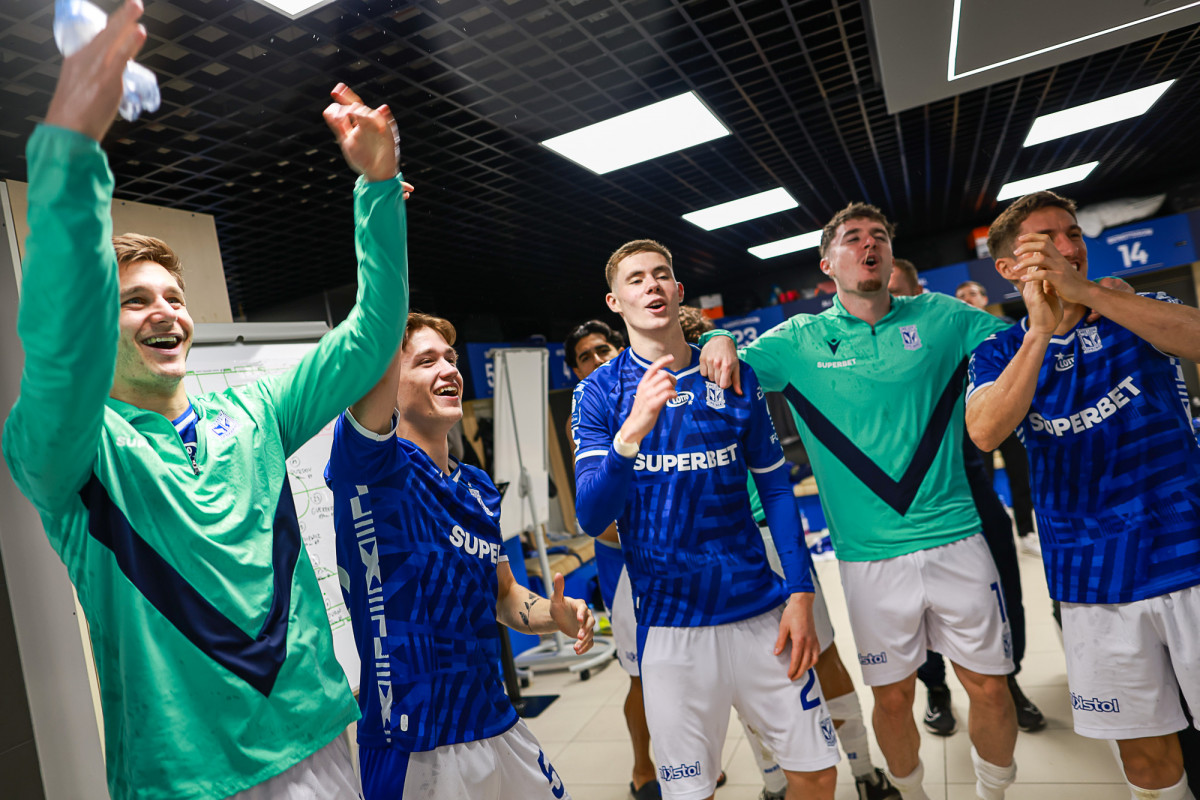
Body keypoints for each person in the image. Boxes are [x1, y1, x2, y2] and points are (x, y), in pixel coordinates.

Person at [1, 3, 413, 797]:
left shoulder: (255, 412)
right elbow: (59, 352)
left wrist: (378, 187)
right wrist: (71, 148)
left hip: (320, 739)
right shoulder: (74, 456)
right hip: (189, 780)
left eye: (175, 296)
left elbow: (371, 337)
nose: (166, 312)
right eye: (135, 301)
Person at [699, 204, 1019, 800]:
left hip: (956, 537)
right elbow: (726, 370)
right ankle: (912, 795)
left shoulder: (944, 317)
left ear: (891, 255)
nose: (868, 245)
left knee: (992, 689)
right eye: (852, 238)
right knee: (893, 699)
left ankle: (992, 794)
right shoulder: (797, 340)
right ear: (828, 264)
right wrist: (716, 335)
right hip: (868, 558)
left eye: (879, 237)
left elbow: (1028, 345)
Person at [572, 239, 841, 800]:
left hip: (761, 612)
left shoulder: (729, 373)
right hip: (671, 628)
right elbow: (592, 514)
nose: (651, 284)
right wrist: (630, 433)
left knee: (817, 774)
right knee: (692, 792)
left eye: (660, 274)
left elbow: (776, 487)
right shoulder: (597, 392)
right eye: (636, 279)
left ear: (678, 291)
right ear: (616, 302)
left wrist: (800, 592)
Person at [966, 190, 1200, 800]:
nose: (1067, 249)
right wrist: (1041, 332)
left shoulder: (1133, 308)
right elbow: (985, 429)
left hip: (1188, 558)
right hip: (1092, 580)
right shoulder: (997, 351)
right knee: (1144, 752)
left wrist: (1092, 295)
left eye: (1072, 234)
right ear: (1008, 268)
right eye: (1046, 241)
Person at [325, 313, 593, 799]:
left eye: (450, 358)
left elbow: (504, 594)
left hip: (493, 716)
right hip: (415, 741)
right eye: (426, 361)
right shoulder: (370, 468)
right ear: (386, 384)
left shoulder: (478, 487)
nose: (449, 369)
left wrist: (552, 615)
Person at [680, 305, 899, 800]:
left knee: (793, 663)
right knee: (779, 667)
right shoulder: (668, 393)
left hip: (754, 540)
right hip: (733, 547)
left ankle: (824, 777)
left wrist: (717, 335)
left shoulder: (719, 382)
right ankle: (822, 778)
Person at [889, 267, 1045, 737]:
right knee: (918, 606)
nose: (887, 304)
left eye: (898, 293)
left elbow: (1026, 333)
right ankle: (936, 688)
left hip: (970, 487)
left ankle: (1008, 676)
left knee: (1005, 591)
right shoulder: (859, 351)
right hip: (906, 505)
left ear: (920, 293)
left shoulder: (947, 327)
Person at [563, 318, 664, 800]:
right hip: (625, 565)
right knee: (642, 677)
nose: (596, 359)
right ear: (575, 370)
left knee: (685, 669)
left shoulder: (656, 392)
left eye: (602, 349)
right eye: (585, 356)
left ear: (619, 349)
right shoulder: (585, 414)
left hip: (672, 554)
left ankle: (687, 757)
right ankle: (643, 767)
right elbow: (595, 515)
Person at [954, 281, 1039, 557]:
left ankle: (1026, 532)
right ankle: (990, 536)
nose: (967, 299)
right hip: (975, 417)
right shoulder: (953, 333)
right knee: (983, 479)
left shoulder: (1006, 326)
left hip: (1010, 411)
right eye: (961, 296)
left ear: (984, 297)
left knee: (1020, 474)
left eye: (972, 293)